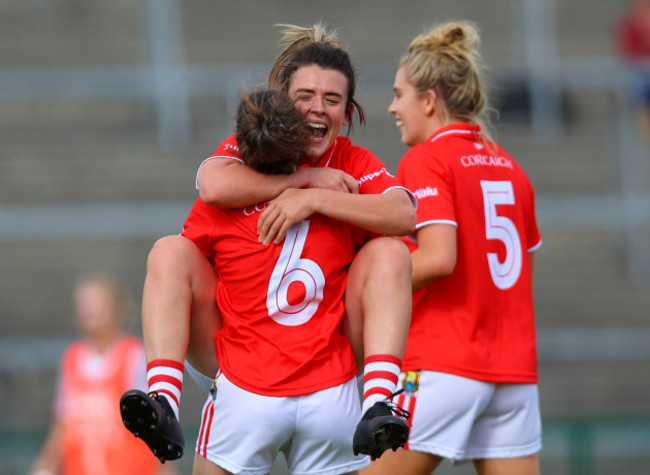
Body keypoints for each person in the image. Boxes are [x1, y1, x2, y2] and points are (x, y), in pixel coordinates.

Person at [120, 23, 415, 471]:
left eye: (332, 100)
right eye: (306, 96)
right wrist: (304, 179)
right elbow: (212, 183)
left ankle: (378, 402)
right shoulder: (246, 153)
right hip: (241, 373)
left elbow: (406, 215)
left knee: (390, 253)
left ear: (348, 112)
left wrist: (315, 199)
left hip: (328, 380)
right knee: (169, 251)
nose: (318, 108)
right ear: (281, 100)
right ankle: (163, 398)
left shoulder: (354, 163)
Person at [362, 22, 543, 475]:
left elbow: (439, 258)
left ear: (428, 100)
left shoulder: (427, 158)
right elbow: (524, 274)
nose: (391, 107)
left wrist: (364, 281)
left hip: (445, 362)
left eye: (399, 94)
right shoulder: (510, 167)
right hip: (514, 372)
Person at [29, 273, 176, 475]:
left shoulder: (134, 355)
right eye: (84, 304)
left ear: (117, 308)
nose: (89, 310)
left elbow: (156, 425)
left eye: (97, 303)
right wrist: (45, 464)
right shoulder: (71, 358)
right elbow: (63, 423)